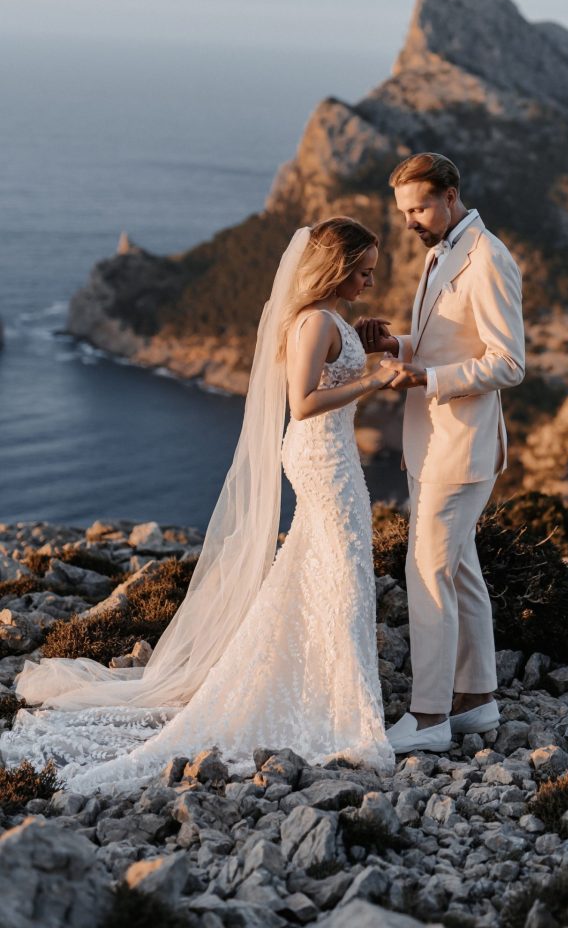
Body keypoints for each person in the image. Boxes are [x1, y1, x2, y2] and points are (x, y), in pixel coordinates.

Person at [0, 218, 396, 791]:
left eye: (371, 272)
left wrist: (365, 342)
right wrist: (375, 380)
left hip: (337, 460)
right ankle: (333, 700)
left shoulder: (330, 319)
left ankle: (322, 684)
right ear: (335, 268)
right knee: (340, 567)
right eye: (361, 271)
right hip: (321, 459)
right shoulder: (312, 320)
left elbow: (334, 362)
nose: (368, 280)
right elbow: (304, 401)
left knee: (326, 567)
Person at [357, 153, 525, 754]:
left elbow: (509, 362)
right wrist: (397, 343)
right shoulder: (440, 251)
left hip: (461, 446)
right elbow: (449, 342)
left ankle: (428, 718)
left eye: (419, 207)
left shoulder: (488, 258)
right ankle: (476, 702)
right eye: (403, 211)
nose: (410, 221)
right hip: (433, 443)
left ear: (451, 195)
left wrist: (426, 380)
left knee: (426, 573)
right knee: (459, 573)